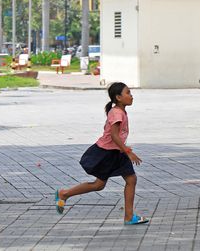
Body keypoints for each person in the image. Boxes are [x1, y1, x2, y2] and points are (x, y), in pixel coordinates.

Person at [56, 82, 148, 225]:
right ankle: (64, 194)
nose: (131, 96)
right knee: (101, 184)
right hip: (108, 153)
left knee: (127, 180)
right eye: (128, 93)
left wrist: (124, 149)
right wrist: (128, 151)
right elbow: (114, 136)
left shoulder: (119, 110)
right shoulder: (117, 113)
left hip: (116, 152)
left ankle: (129, 217)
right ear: (118, 97)